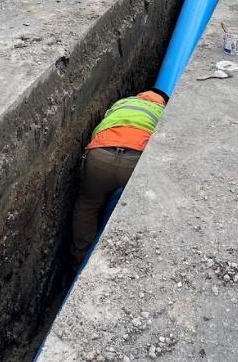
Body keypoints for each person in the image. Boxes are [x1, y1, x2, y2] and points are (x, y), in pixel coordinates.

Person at [70, 89, 168, 267]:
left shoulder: (122, 103)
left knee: (88, 204)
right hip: (136, 160)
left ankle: (80, 258)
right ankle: (122, 262)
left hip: (100, 155)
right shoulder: (163, 111)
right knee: (138, 208)